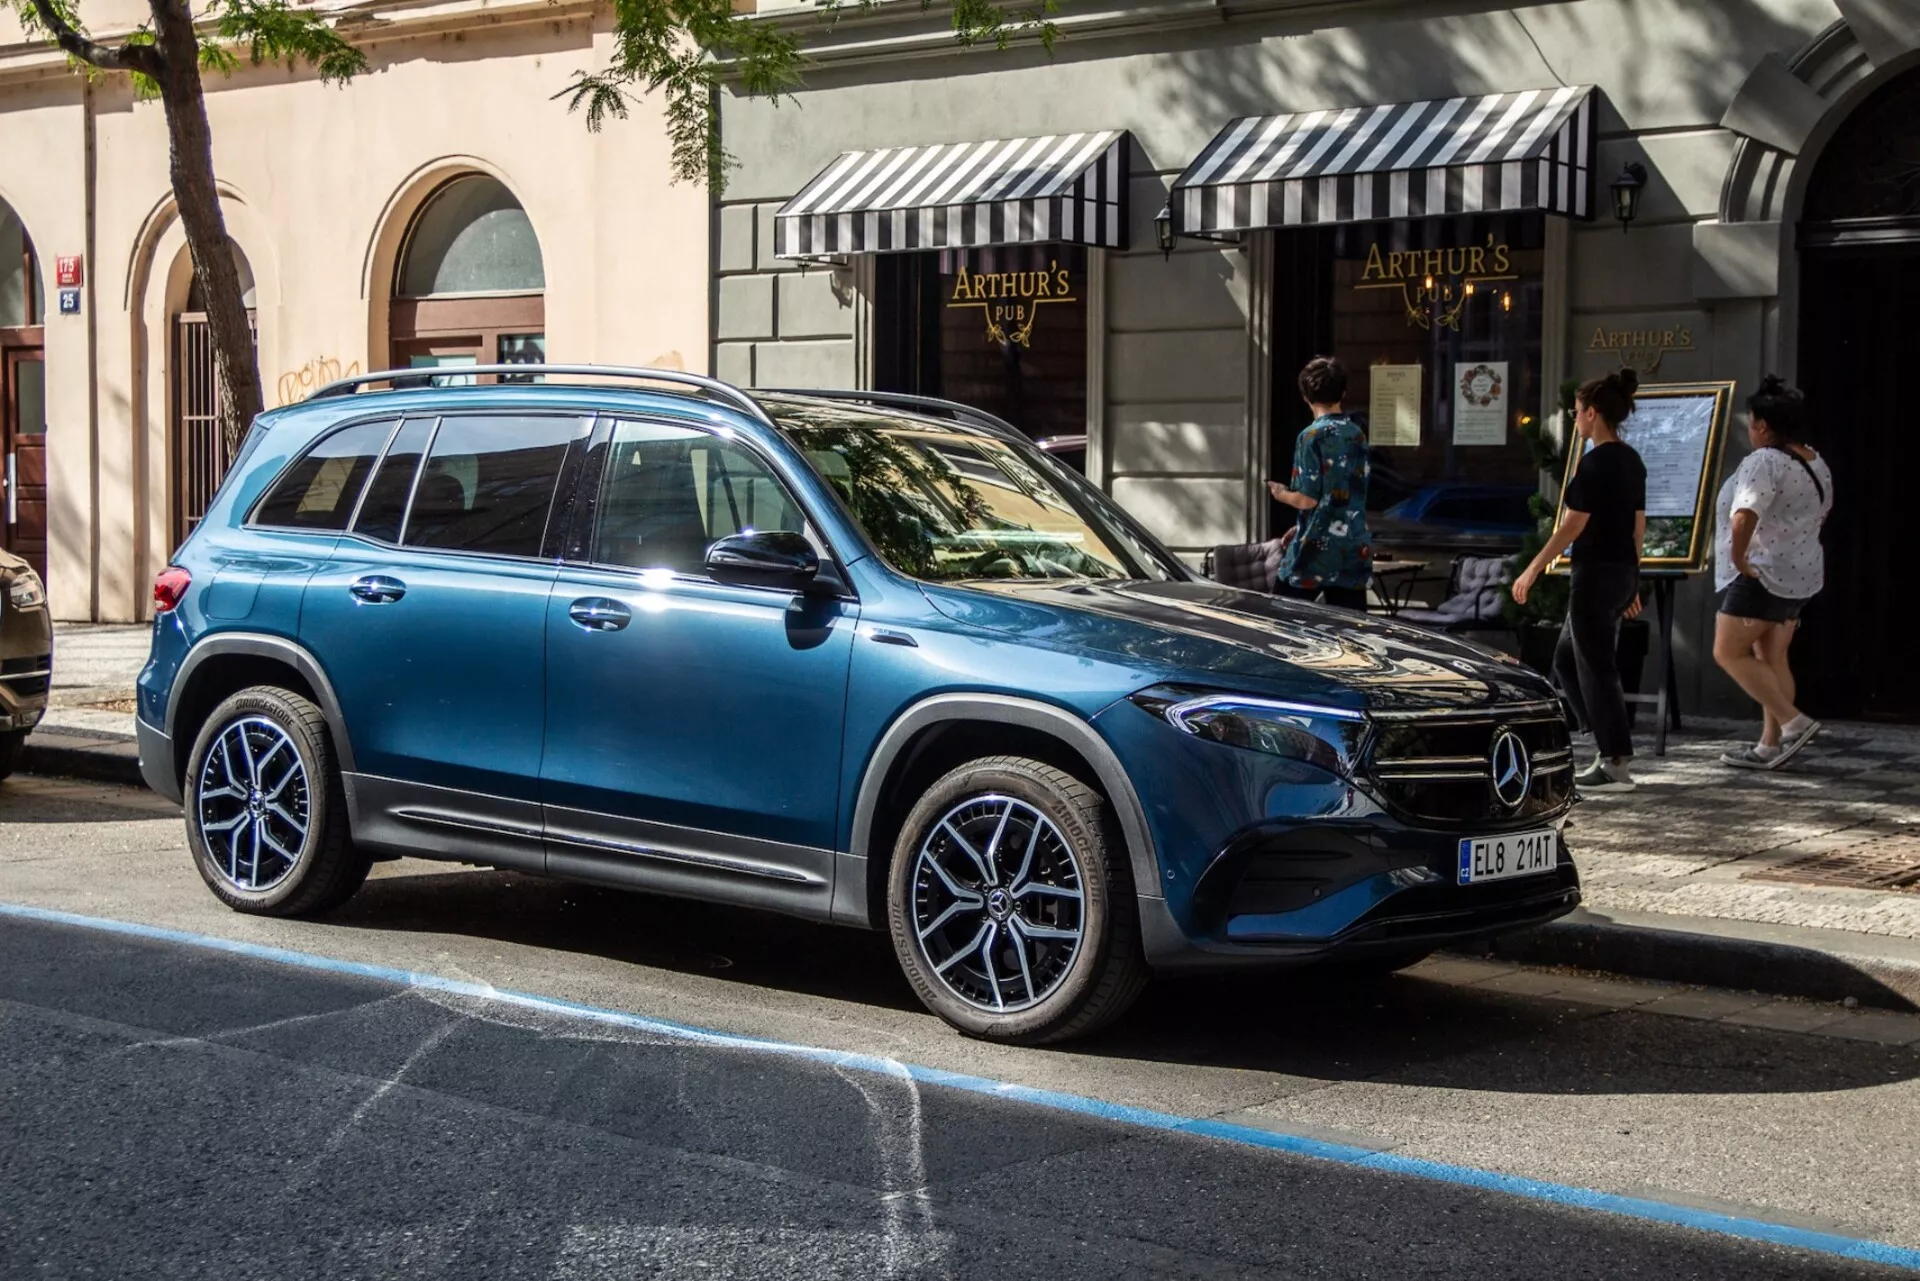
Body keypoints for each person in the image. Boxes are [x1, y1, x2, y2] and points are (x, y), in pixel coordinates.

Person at [1513, 368, 1646, 793]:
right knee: (1568, 659)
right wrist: (1634, 579)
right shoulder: (1632, 460)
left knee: (1597, 665)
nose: (1575, 420)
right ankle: (1601, 735)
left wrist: (1533, 569)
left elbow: (1570, 527)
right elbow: (1638, 526)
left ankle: (1615, 762)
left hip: (1595, 573)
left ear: (1592, 413)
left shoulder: (1594, 464)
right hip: (1621, 571)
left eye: (1577, 413)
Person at [1712, 376, 1832, 769]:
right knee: (1772, 656)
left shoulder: (1764, 461)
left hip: (1764, 574)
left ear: (1763, 425)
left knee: (1727, 650)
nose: (1749, 429)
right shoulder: (1815, 460)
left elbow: (1744, 513)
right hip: (1802, 574)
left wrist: (1741, 560)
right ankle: (1770, 745)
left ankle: (1794, 722)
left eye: (1751, 421)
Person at [1267, 356, 1372, 609]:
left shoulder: (1310, 436)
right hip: (1352, 547)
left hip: (1314, 551)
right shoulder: (1356, 434)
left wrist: (1280, 493)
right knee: (1353, 633)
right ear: (1343, 393)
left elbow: (1308, 499)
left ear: (1306, 397)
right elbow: (1348, 494)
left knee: (1278, 620)